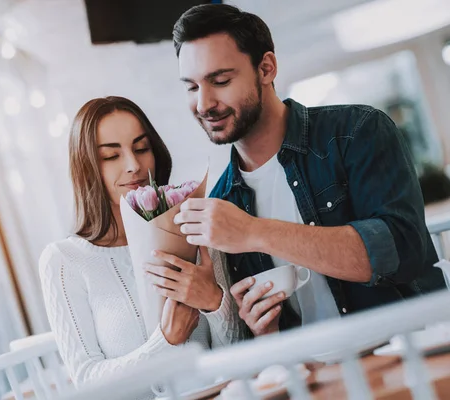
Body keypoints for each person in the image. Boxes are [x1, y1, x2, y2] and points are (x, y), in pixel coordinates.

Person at [158, 3, 444, 338]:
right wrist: (264, 330)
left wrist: (254, 231)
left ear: (266, 68)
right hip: (314, 379)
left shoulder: (357, 131)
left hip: (411, 354)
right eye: (191, 87)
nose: (204, 103)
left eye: (220, 80)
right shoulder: (222, 202)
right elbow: (260, 339)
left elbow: (401, 251)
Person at [39, 96, 242, 398]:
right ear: (86, 167)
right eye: (111, 156)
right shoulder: (64, 260)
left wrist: (215, 302)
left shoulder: (194, 227)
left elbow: (237, 361)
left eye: (141, 148)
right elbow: (88, 382)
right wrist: (164, 341)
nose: (134, 165)